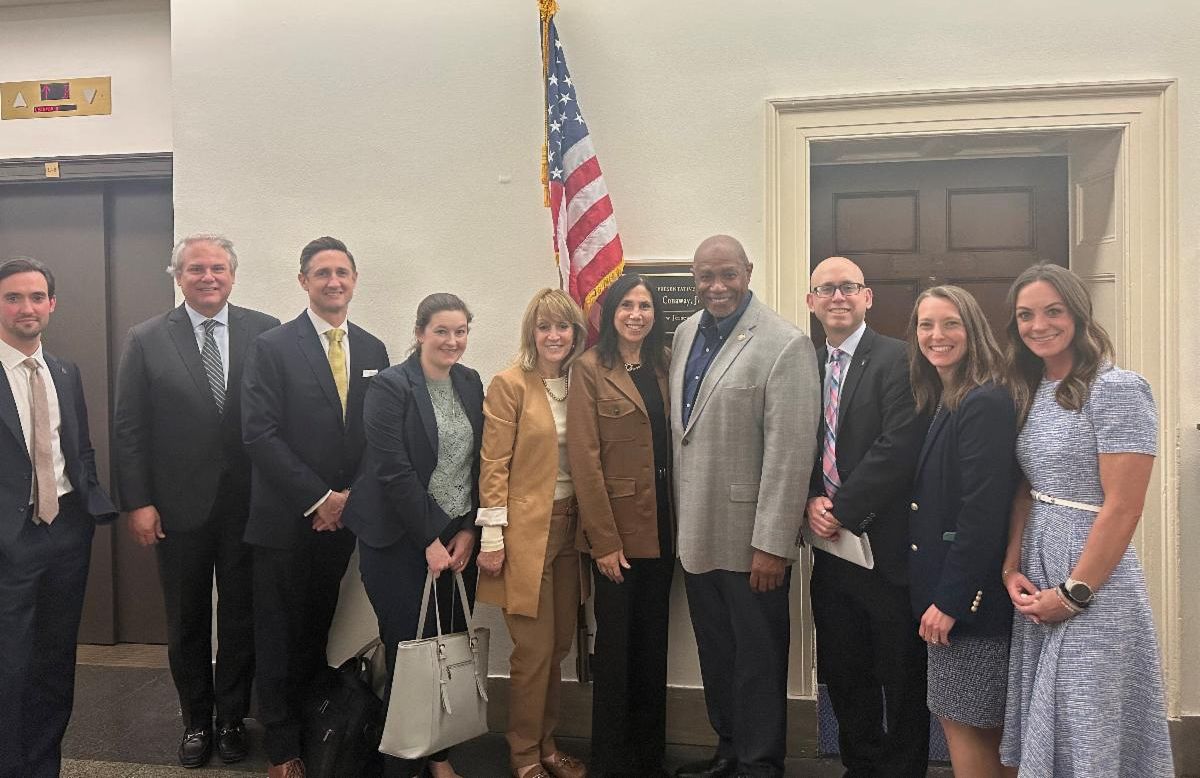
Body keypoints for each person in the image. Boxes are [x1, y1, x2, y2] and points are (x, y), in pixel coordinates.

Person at [999, 264, 1174, 776]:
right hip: (1038, 569)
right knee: (1052, 725)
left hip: (1095, 580)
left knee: (1086, 718)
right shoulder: (1031, 389)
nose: (1039, 325)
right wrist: (1011, 566)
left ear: (1078, 313)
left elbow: (1125, 505)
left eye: (1053, 311)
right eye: (1026, 315)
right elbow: (1027, 489)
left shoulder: (1117, 388)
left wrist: (1075, 593)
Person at [112, 233, 279, 768]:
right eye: (196, 269)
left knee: (240, 616)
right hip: (176, 507)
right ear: (178, 276)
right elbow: (129, 427)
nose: (208, 277)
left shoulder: (266, 331)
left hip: (248, 505)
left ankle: (231, 719)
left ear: (233, 274)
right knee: (186, 619)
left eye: (218, 268)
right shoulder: (146, 338)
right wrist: (138, 501)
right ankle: (196, 722)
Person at [669, 235, 819, 778]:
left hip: (752, 541)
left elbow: (790, 455)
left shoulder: (785, 343)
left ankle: (760, 764)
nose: (717, 286)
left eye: (727, 274)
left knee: (758, 659)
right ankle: (729, 750)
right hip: (696, 533)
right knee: (717, 654)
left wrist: (773, 546)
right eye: (706, 276)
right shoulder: (686, 333)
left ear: (748, 272)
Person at [241, 236, 390, 778]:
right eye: (322, 272)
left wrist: (348, 500)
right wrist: (319, 498)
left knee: (315, 631)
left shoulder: (372, 349)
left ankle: (312, 729)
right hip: (285, 520)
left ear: (355, 280)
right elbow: (259, 434)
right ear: (303, 281)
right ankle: (281, 747)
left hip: (341, 523)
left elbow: (378, 435)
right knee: (277, 635)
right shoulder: (272, 346)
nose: (333, 281)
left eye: (342, 272)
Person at [342, 293, 484, 778]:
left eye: (460, 331)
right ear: (420, 332)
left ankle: (439, 757)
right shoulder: (390, 385)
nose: (452, 341)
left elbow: (476, 463)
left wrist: (468, 529)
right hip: (397, 540)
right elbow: (392, 469)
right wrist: (428, 539)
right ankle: (399, 767)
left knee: (448, 650)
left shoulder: (470, 381)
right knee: (410, 653)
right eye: (441, 330)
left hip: (455, 539)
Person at [803, 256, 930, 777]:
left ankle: (903, 770)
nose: (838, 297)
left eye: (848, 287)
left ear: (867, 297)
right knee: (844, 671)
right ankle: (861, 766)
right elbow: (796, 445)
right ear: (811, 302)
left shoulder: (899, 359)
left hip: (887, 551)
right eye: (826, 289)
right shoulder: (805, 365)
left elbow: (898, 446)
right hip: (831, 556)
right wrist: (811, 499)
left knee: (901, 676)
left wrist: (843, 509)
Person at [0, 257, 117, 778]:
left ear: (52, 304)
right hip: (9, 540)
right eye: (13, 297)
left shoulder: (65, 372)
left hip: (66, 533)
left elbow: (79, 449)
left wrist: (89, 506)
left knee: (54, 663)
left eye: (35, 297)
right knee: (10, 666)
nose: (26, 307)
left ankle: (44, 765)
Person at [476, 288, 590, 778]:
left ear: (576, 333)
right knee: (534, 651)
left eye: (562, 326)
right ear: (532, 333)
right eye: (544, 327)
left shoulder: (581, 381)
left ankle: (547, 743)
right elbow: (493, 465)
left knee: (559, 646)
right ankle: (522, 752)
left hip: (571, 531)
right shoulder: (510, 384)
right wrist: (492, 537)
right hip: (524, 536)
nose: (554, 335)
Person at [907, 286, 1016, 777]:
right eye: (926, 325)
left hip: (970, 606)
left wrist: (951, 602)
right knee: (967, 724)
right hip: (953, 598)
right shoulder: (947, 397)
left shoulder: (983, 400)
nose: (937, 335)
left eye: (951, 323)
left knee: (971, 728)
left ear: (973, 329)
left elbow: (983, 513)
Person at [567, 274, 673, 778]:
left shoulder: (665, 363)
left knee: (653, 646)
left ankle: (648, 758)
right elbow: (585, 461)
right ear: (610, 313)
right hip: (617, 534)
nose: (636, 314)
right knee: (615, 650)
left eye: (645, 305)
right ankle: (611, 761)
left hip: (665, 526)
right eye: (626, 305)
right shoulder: (589, 368)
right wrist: (604, 543)